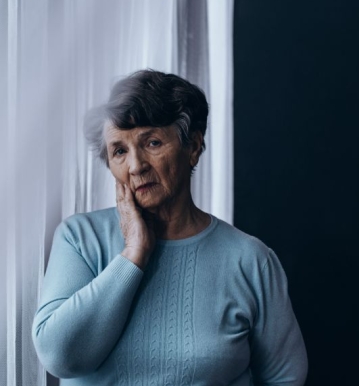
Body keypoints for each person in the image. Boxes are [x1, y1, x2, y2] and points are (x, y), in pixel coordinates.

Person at [32, 69, 308, 385]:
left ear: (192, 146)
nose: (136, 166)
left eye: (152, 142)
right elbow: (60, 357)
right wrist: (134, 253)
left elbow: (285, 378)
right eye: (119, 151)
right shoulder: (80, 239)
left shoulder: (250, 259)